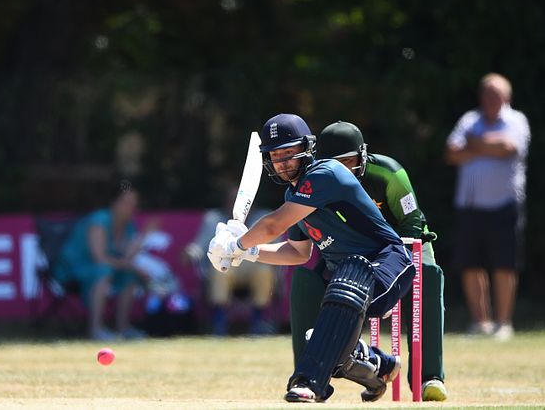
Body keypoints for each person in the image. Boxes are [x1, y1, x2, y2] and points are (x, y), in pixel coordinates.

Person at [207, 113, 415, 403]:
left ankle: (308, 383)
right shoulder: (295, 196)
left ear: (307, 148)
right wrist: (249, 253)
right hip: (350, 285)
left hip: (388, 263)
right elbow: (296, 252)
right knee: (329, 342)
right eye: (275, 156)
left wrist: (236, 243)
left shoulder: (325, 174)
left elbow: (273, 226)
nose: (282, 162)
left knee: (345, 285)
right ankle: (379, 367)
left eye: (289, 153)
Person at [292, 120, 446, 401]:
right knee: (306, 279)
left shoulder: (388, 171)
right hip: (347, 256)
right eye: (337, 163)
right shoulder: (318, 180)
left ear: (363, 155)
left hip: (398, 249)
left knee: (429, 272)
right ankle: (310, 375)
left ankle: (429, 377)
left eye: (350, 161)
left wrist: (389, 278)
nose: (346, 169)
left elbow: (412, 222)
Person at [445, 73, 530, 341]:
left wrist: (473, 145)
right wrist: (487, 146)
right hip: (470, 204)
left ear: (507, 97)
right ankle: (481, 322)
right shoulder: (470, 120)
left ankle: (503, 323)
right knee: (471, 264)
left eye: (496, 94)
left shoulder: (517, 120)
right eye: (486, 93)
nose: (490, 99)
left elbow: (509, 148)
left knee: (504, 265)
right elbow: (451, 152)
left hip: (505, 204)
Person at [55, 181, 150, 341]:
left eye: (134, 203)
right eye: (127, 202)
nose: (131, 207)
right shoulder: (100, 220)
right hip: (73, 269)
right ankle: (96, 329)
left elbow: (127, 258)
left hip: (105, 268)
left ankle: (124, 328)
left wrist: (144, 236)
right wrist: (129, 265)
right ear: (114, 203)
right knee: (103, 271)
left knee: (130, 276)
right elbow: (99, 258)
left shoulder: (129, 225)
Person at [182, 184, 276, 336]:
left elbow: (276, 246)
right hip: (227, 266)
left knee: (264, 271)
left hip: (254, 263)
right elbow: (199, 247)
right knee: (219, 270)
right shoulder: (213, 219)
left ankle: (257, 322)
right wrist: (189, 253)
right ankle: (219, 324)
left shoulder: (264, 218)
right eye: (232, 201)